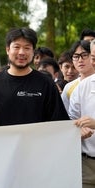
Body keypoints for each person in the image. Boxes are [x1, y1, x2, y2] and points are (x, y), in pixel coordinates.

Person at [0, 27, 69, 127]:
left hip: (37, 142)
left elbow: (59, 123)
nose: (21, 52)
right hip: (2, 142)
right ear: (7, 50)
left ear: (33, 52)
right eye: (17, 47)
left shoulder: (46, 84)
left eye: (27, 48)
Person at [69, 39, 95, 188]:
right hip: (86, 164)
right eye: (93, 57)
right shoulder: (82, 86)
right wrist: (78, 129)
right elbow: (71, 120)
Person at [61, 40, 95, 112]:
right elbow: (66, 116)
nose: (80, 60)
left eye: (84, 55)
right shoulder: (69, 87)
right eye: (76, 56)